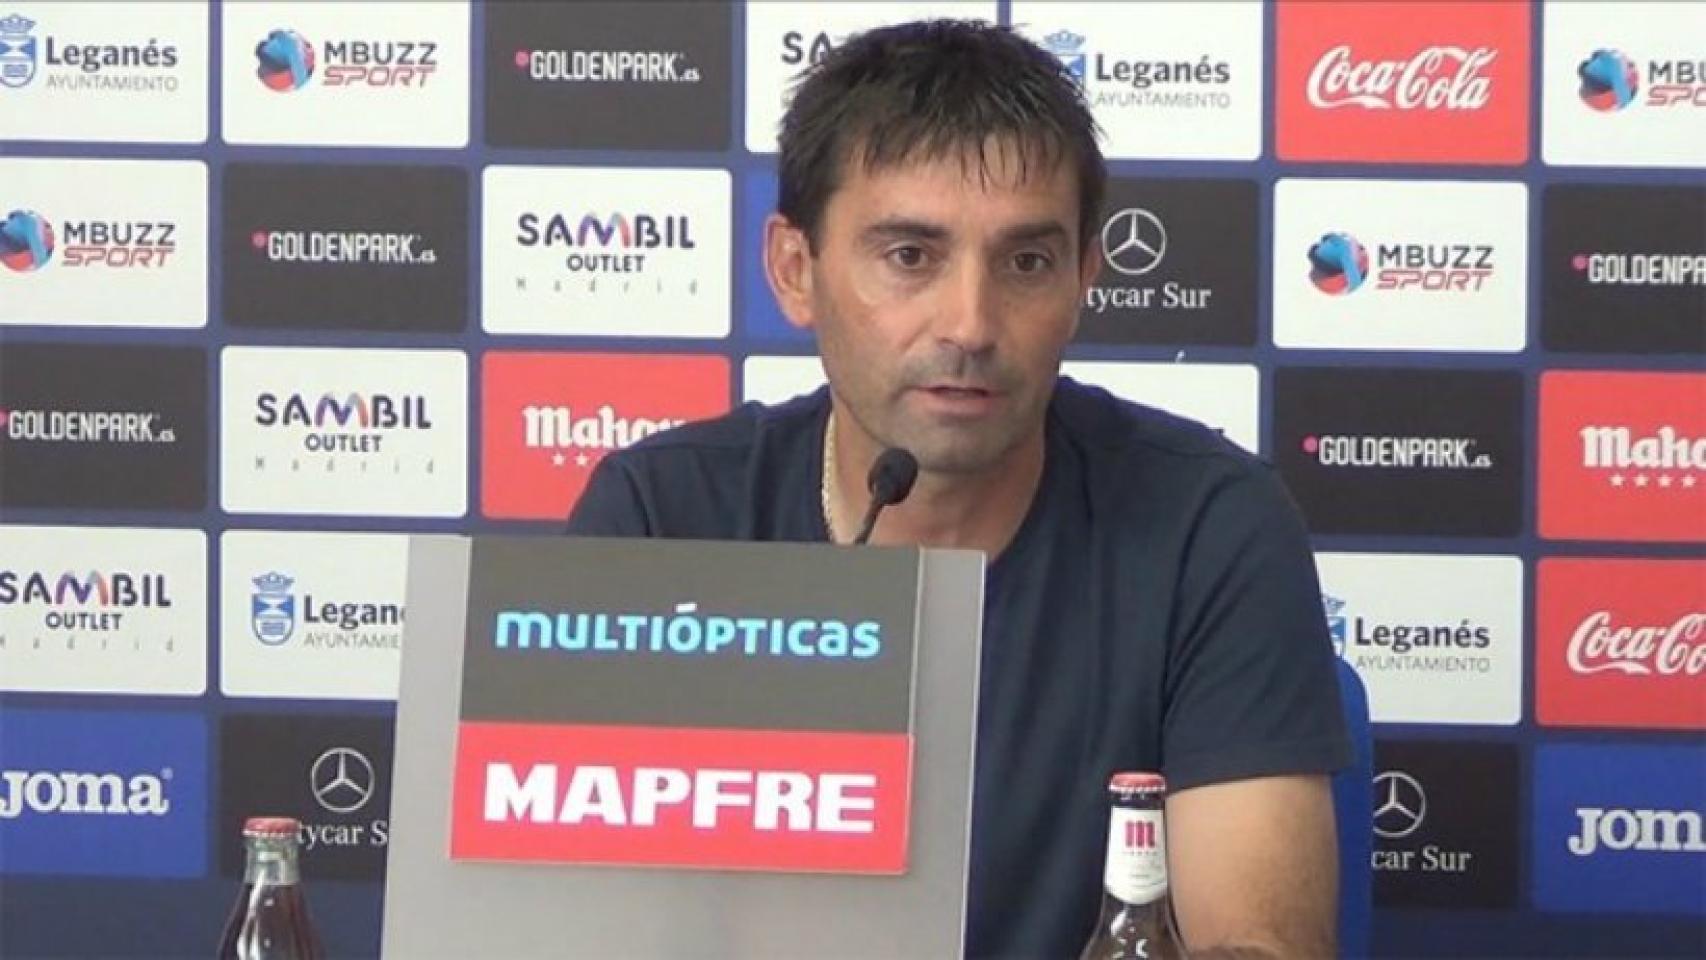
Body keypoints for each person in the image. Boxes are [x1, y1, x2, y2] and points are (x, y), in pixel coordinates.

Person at [567, 19, 1351, 959]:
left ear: (1085, 278)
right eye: (911, 257)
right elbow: (563, 919)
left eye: (1026, 262)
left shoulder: (1209, 529)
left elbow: (1259, 946)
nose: (971, 323)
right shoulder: (658, 523)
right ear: (795, 271)